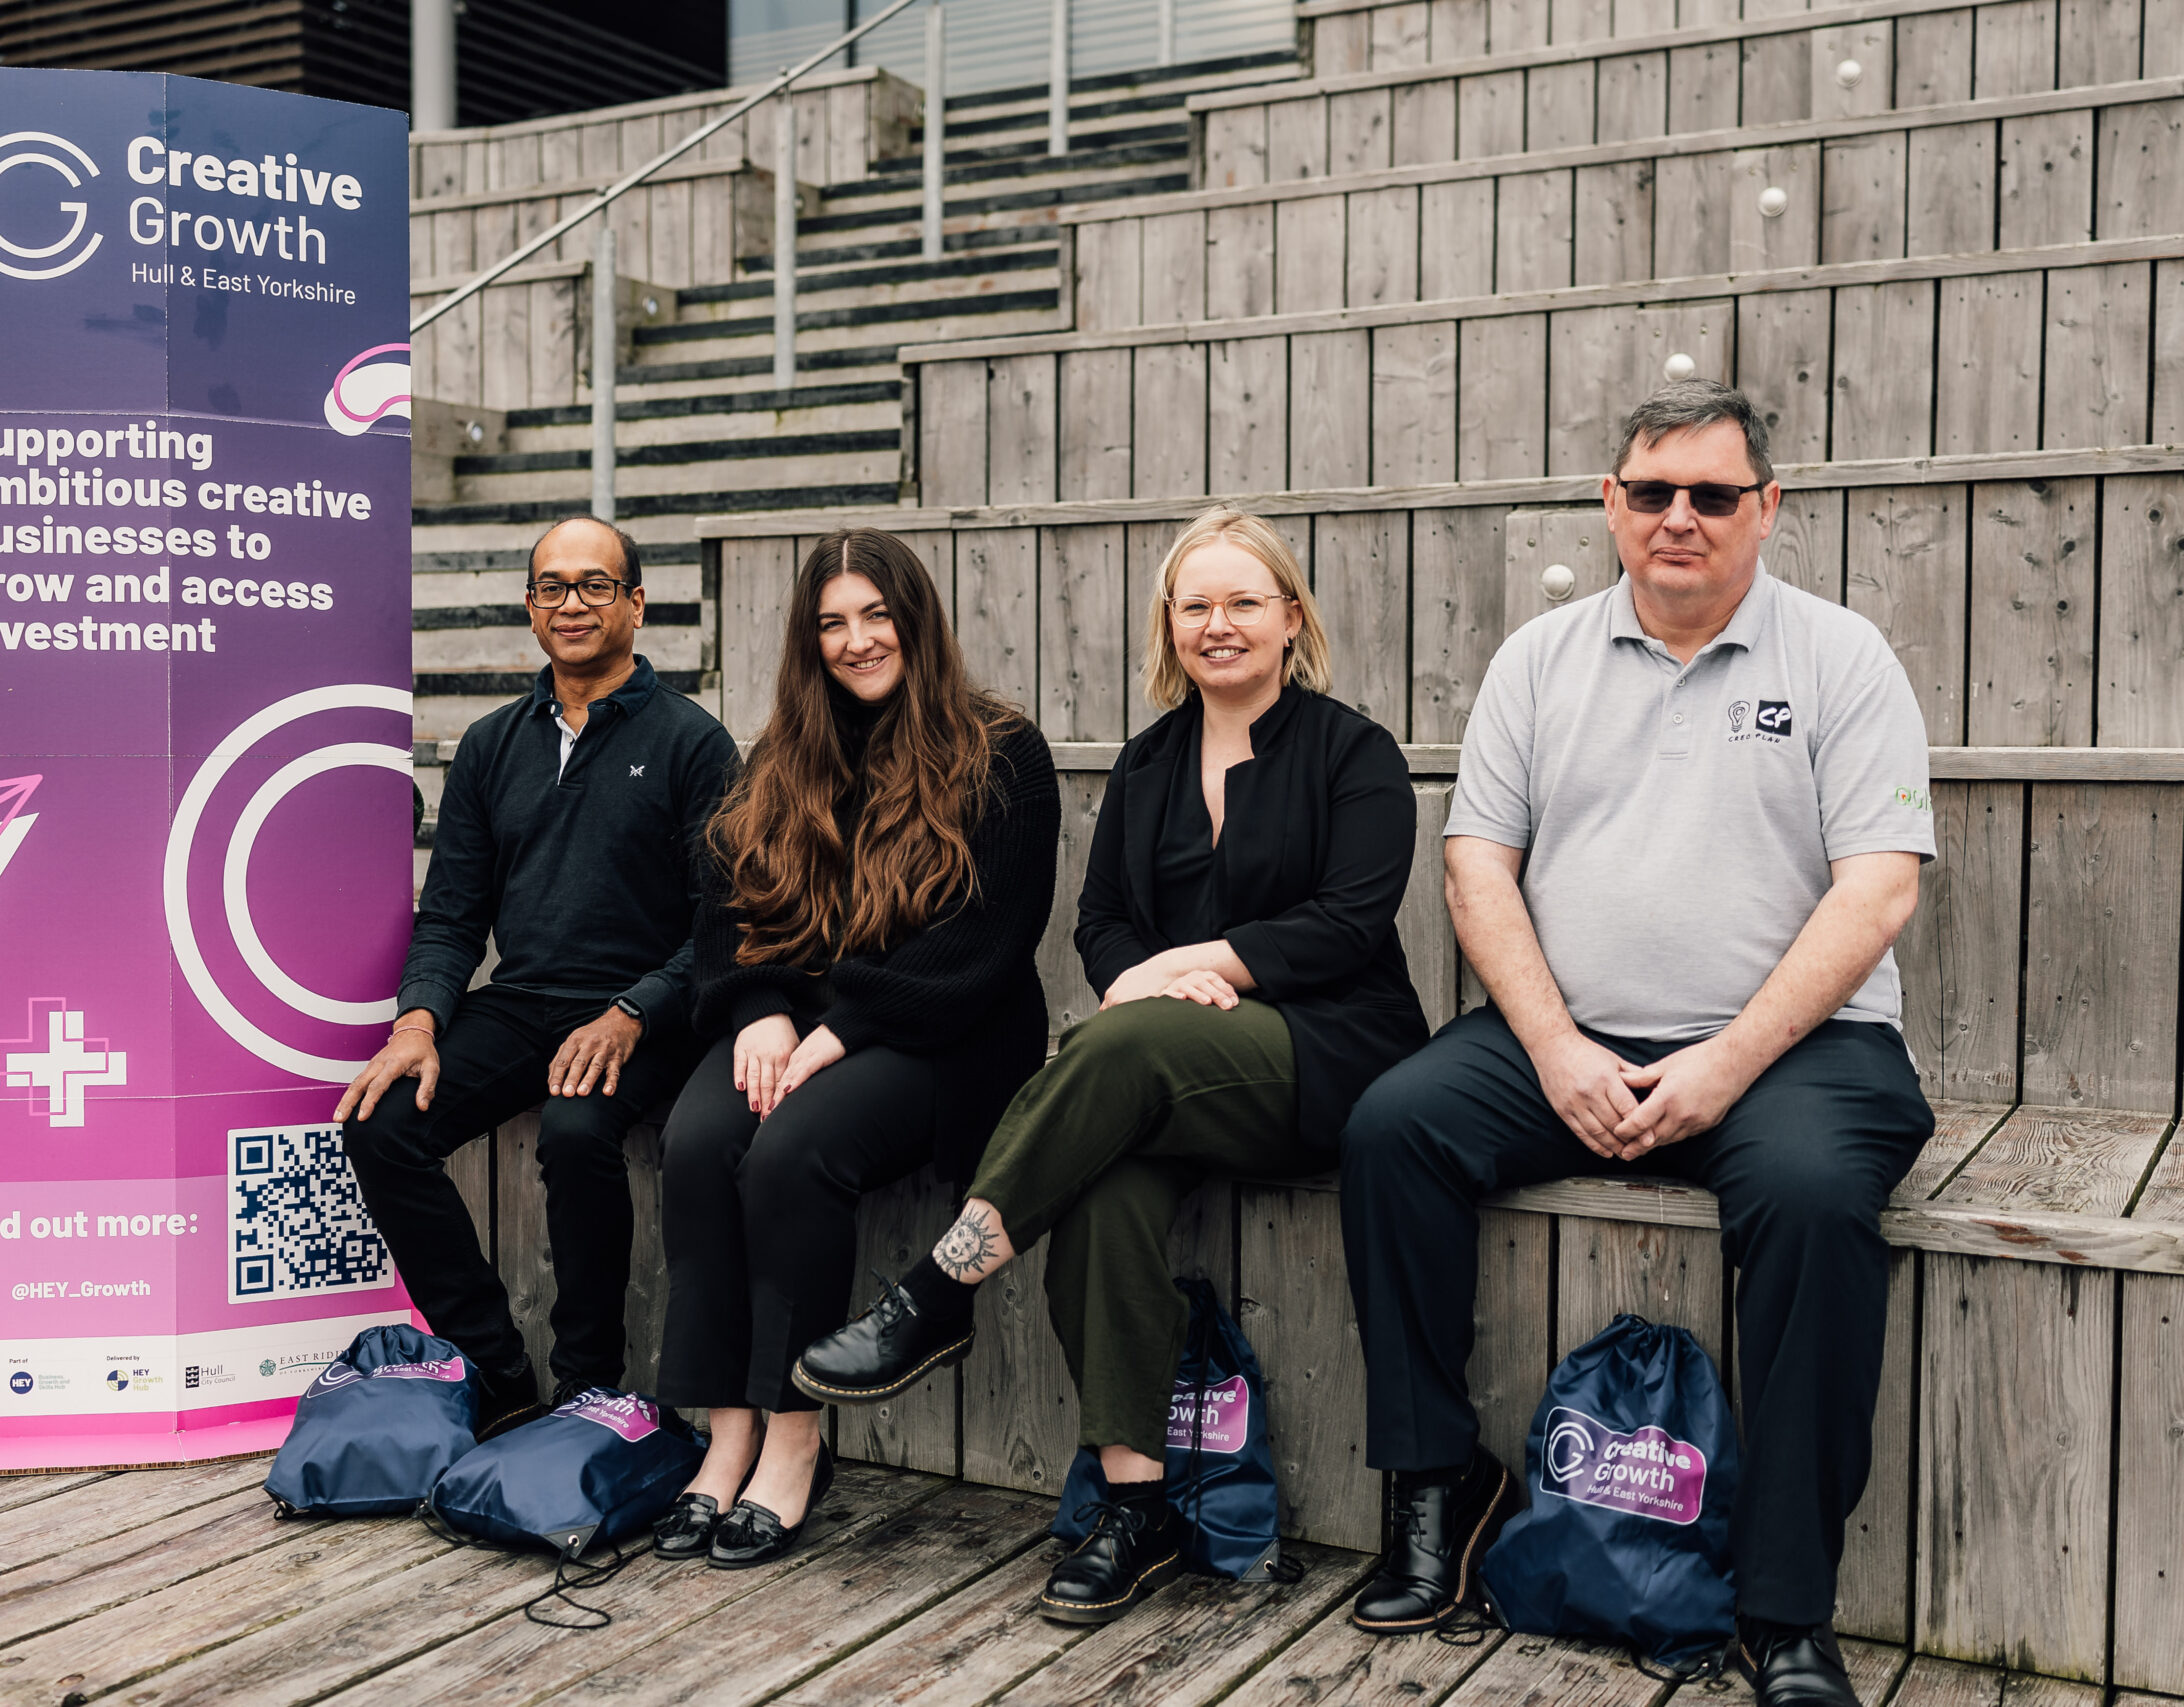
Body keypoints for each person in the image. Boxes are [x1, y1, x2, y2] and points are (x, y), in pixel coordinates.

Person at [1336, 382, 1934, 1707]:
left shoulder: (1842, 658)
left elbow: (1878, 885)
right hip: (1573, 1030)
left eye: (1713, 495)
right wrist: (1552, 1046)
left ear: (1765, 510)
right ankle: (1437, 1485)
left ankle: (1785, 1607)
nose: (1679, 517)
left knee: (1814, 1192)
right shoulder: (1539, 659)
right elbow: (1478, 867)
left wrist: (1724, 1061)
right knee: (1392, 1126)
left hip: (1801, 1046)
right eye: (1651, 491)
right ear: (1610, 504)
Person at [793, 506, 1430, 1626]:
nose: (1218, 625)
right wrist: (1154, 982)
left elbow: (1344, 922)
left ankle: (941, 1289)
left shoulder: (1352, 752)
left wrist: (1191, 971)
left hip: (1329, 1054)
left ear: (1290, 616)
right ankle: (1137, 1506)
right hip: (1167, 1057)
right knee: (1100, 1186)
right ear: (1168, 626)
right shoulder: (1145, 766)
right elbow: (1101, 926)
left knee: (1113, 1037)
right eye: (1196, 606)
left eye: (1243, 602)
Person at [650, 528, 1058, 1570]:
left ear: (914, 621)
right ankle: (724, 1429)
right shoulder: (782, 756)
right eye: (832, 622)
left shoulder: (999, 749)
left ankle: (792, 1438)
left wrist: (839, 1027)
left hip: (941, 1029)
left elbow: (983, 938)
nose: (856, 639)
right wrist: (760, 1010)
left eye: (876, 615)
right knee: (701, 1140)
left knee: (791, 1152)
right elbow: (728, 914)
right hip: (802, 1018)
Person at [334, 516, 736, 1437]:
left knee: (577, 1125)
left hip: (650, 1008)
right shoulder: (489, 744)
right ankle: (495, 1366)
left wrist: (634, 1011)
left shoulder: (693, 744)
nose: (572, 603)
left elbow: (726, 923)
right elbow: (451, 913)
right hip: (522, 1004)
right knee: (384, 1122)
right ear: (529, 607)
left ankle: (588, 1384)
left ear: (637, 605)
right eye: (552, 586)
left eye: (595, 584)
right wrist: (420, 1022)